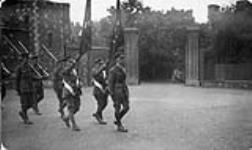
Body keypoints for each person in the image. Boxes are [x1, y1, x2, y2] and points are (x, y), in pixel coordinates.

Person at [108, 54, 130, 132]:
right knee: (117, 108)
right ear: (117, 60)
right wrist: (111, 93)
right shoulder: (113, 70)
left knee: (126, 107)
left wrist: (126, 91)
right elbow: (110, 83)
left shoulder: (123, 69)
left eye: (123, 59)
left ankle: (118, 120)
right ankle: (119, 125)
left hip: (123, 90)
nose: (122, 60)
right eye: (120, 59)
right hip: (116, 91)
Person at [16, 53, 37, 124]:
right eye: (25, 58)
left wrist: (39, 78)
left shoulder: (29, 67)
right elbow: (17, 79)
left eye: (27, 58)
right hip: (23, 88)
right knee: (24, 104)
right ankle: (26, 119)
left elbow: (32, 76)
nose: (27, 60)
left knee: (31, 103)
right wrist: (17, 89)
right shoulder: (19, 68)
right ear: (23, 59)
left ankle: (22, 112)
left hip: (30, 87)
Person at [61, 57, 82, 131]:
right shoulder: (65, 70)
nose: (72, 64)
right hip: (68, 92)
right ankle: (74, 125)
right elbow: (66, 72)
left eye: (73, 63)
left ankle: (66, 118)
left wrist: (79, 84)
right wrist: (71, 66)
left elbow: (77, 79)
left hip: (75, 91)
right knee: (71, 108)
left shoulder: (74, 71)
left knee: (77, 107)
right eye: (70, 62)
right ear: (67, 63)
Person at [91, 58, 109, 125]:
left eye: (101, 64)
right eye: (99, 64)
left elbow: (105, 79)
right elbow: (95, 74)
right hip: (98, 89)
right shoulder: (94, 70)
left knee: (105, 103)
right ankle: (99, 117)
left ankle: (98, 114)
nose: (101, 65)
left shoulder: (103, 72)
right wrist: (101, 68)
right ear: (96, 64)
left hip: (104, 89)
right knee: (101, 103)